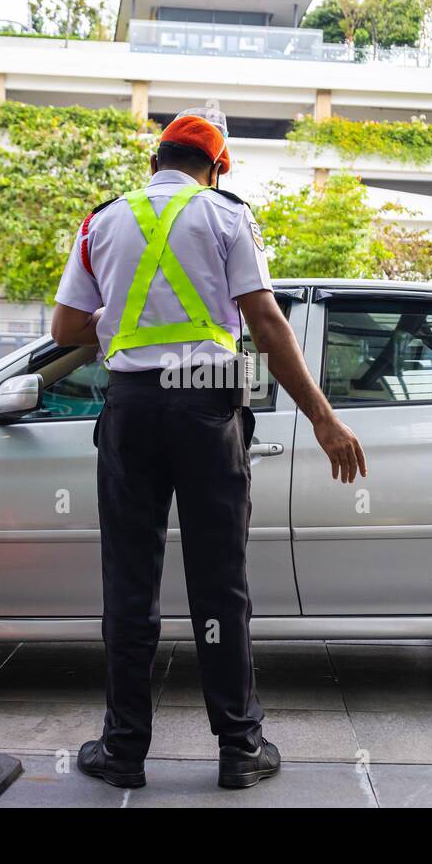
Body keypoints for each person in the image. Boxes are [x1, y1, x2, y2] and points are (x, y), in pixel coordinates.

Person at [50, 105, 366, 790]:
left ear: (153, 162)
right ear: (217, 168)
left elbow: (65, 327)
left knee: (128, 582)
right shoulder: (228, 217)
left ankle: (125, 750)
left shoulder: (102, 221)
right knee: (219, 583)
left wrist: (121, 320)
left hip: (132, 411)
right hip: (206, 403)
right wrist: (322, 417)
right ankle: (239, 748)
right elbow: (268, 322)